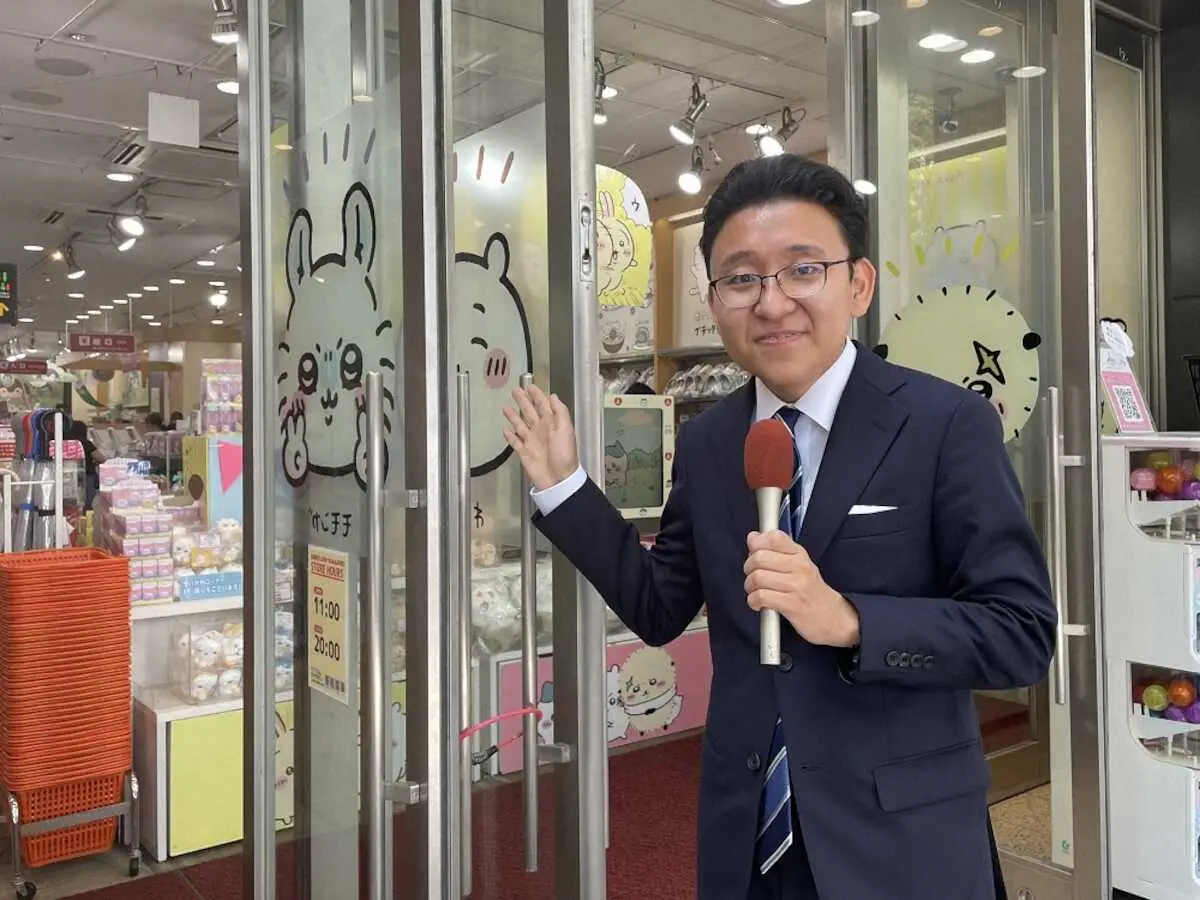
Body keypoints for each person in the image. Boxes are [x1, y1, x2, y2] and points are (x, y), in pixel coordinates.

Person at [501, 154, 1055, 900]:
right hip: (749, 829)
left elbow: (1021, 633)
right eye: (742, 279)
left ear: (858, 284)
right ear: (715, 298)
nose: (771, 302)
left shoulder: (944, 423)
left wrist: (851, 620)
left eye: (803, 270)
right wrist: (565, 488)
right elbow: (660, 607)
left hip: (899, 839)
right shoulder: (709, 440)